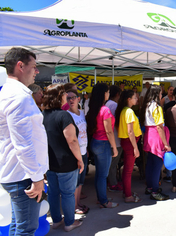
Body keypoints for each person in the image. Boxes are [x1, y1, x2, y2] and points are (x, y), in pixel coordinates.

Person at [0, 47, 48, 236]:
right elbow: (23, 144)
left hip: (19, 173)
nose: (37, 72)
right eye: (34, 67)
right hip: (23, 175)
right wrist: (36, 178)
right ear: (20, 66)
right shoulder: (18, 97)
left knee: (18, 226)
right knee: (26, 229)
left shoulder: (11, 93)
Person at [42, 84, 84, 232]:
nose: (66, 96)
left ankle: (56, 221)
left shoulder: (43, 114)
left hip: (50, 162)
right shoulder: (63, 115)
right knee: (67, 194)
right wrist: (80, 159)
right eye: (64, 94)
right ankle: (69, 223)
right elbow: (72, 140)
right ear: (60, 96)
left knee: (53, 193)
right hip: (66, 162)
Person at [86, 83, 119, 208]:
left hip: (95, 141)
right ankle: (104, 201)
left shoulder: (94, 108)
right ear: (103, 93)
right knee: (102, 175)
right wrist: (114, 147)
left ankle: (101, 198)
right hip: (103, 143)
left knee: (99, 174)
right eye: (107, 91)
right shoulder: (104, 110)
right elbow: (109, 131)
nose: (108, 94)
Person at [140, 85, 171, 200]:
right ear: (157, 94)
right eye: (160, 93)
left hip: (149, 136)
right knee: (157, 166)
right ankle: (155, 191)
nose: (161, 95)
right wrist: (166, 144)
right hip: (156, 137)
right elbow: (159, 127)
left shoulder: (147, 105)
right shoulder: (156, 107)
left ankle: (150, 187)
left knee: (150, 164)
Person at [115, 90, 142, 203]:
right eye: (134, 97)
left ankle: (127, 192)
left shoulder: (123, 110)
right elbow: (130, 131)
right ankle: (128, 196)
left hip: (127, 142)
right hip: (130, 142)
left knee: (127, 169)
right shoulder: (129, 111)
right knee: (128, 170)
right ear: (128, 99)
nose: (136, 99)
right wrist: (135, 148)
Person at [66, 89, 89, 214]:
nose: (71, 100)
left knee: (81, 181)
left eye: (73, 97)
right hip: (75, 154)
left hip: (84, 150)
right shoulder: (67, 115)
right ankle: (74, 206)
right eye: (68, 98)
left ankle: (78, 202)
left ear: (78, 99)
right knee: (75, 182)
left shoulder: (81, 113)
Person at [105, 85, 123, 192]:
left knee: (111, 162)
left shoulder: (107, 104)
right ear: (117, 94)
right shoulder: (115, 105)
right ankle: (112, 183)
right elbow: (117, 123)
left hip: (110, 138)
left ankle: (112, 180)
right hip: (115, 138)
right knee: (113, 163)